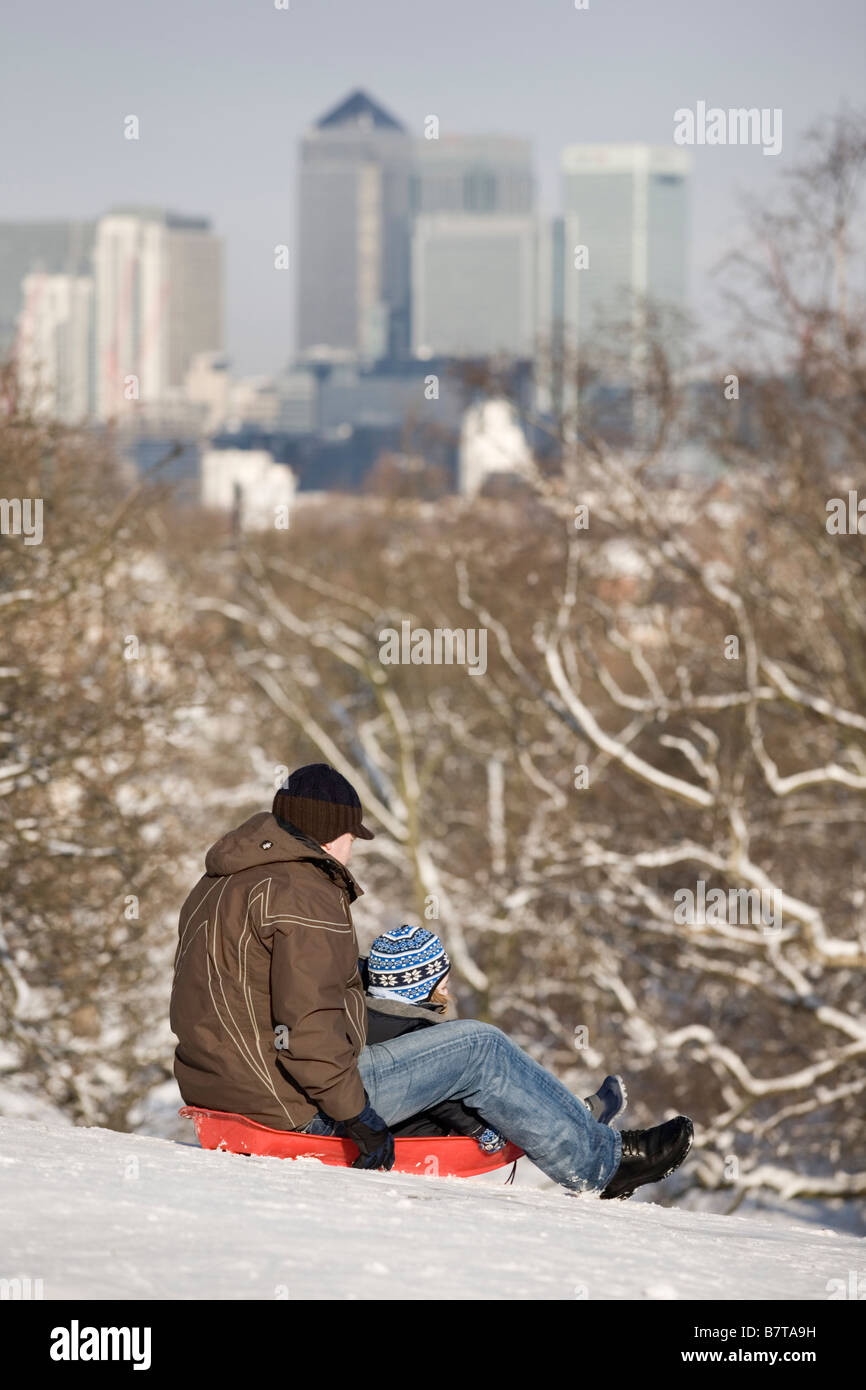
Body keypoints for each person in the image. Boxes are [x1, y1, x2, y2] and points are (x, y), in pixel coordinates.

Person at [171, 763, 693, 1199]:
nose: (354, 846)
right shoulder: (306, 889)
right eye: (353, 834)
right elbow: (308, 1027)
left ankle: (562, 1119)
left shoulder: (218, 886)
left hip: (223, 1093)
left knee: (426, 1039)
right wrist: (358, 1118)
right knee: (479, 1047)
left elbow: (254, 990)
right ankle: (602, 1164)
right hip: (288, 1105)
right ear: (334, 832)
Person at [361, 924, 627, 1151]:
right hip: (420, 1136)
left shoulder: (366, 1016)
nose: (447, 989)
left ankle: (567, 1113)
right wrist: (480, 1129)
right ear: (416, 987)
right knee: (486, 1071)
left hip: (401, 1123)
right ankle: (572, 1123)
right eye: (442, 984)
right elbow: (437, 1096)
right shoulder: (415, 1030)